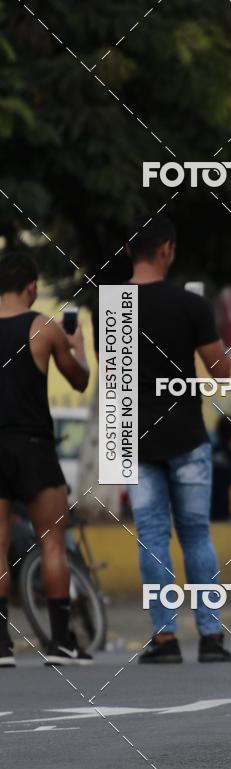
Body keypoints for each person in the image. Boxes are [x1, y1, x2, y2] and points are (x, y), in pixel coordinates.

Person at [92, 217, 231, 664]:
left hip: (135, 439)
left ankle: (165, 639)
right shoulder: (190, 304)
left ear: (130, 251)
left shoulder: (110, 307)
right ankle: (211, 637)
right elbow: (221, 372)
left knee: (151, 536)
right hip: (187, 435)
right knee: (196, 534)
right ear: (167, 249)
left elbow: (110, 377)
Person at [0, 251, 91, 666]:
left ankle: (1, 645)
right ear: (32, 287)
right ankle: (61, 643)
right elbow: (79, 379)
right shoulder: (42, 327)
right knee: (52, 542)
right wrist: (79, 348)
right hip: (34, 446)